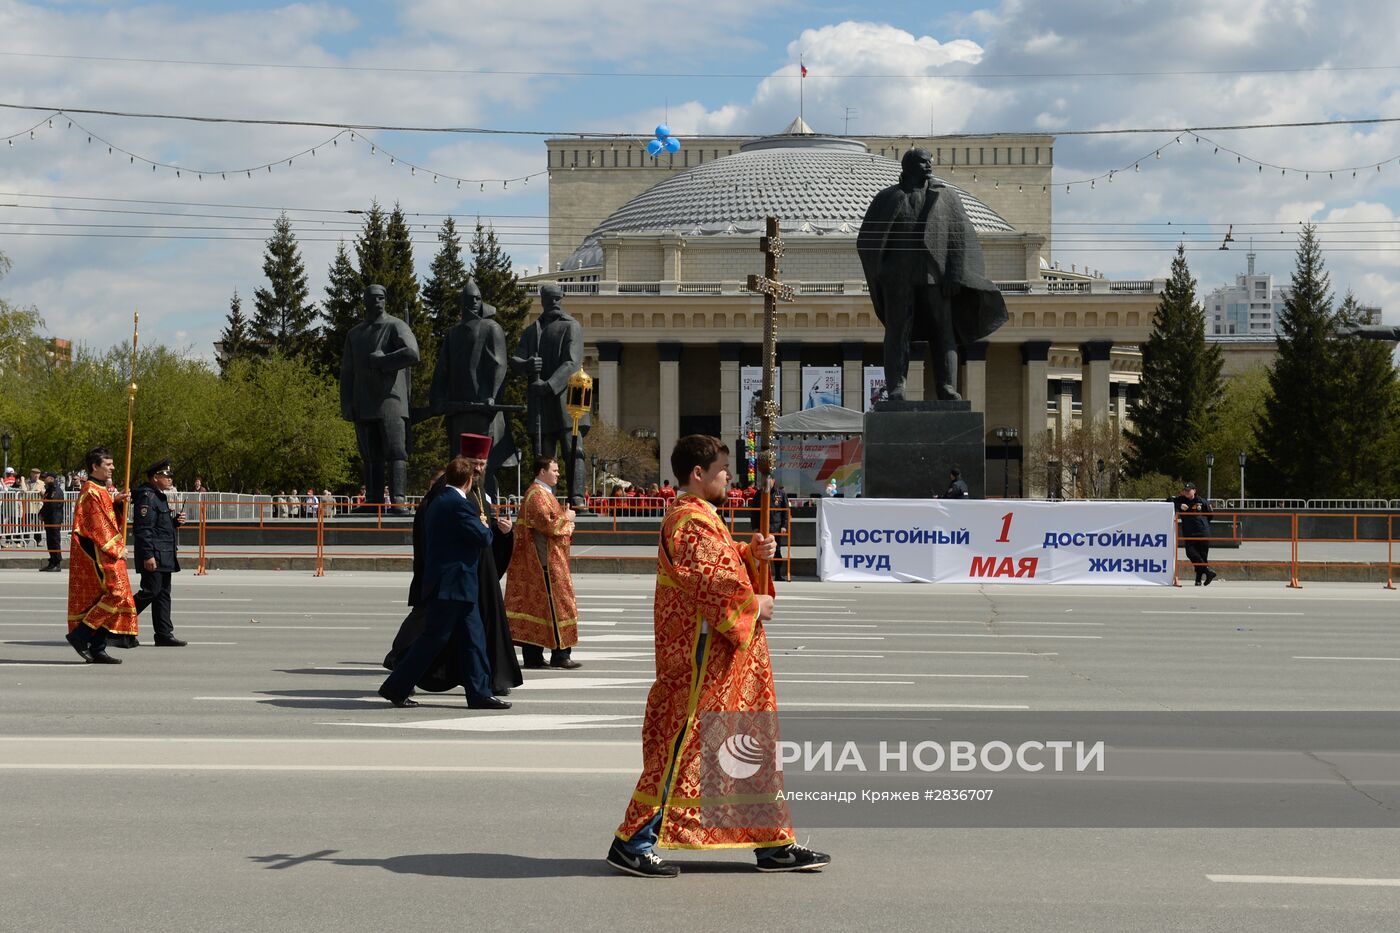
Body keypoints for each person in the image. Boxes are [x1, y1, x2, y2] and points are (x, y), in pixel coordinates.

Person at [607, 435, 829, 878]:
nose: (727, 476)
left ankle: (772, 843)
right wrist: (754, 606)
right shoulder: (689, 520)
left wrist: (751, 553)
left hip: (722, 652)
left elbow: (722, 565)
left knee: (745, 741)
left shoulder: (704, 518)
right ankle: (633, 841)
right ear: (698, 474)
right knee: (682, 743)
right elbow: (711, 584)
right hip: (701, 656)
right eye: (722, 469)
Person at [857, 147, 1008, 401]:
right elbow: (866, 241)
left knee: (943, 332)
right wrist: (881, 273)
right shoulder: (887, 198)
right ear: (908, 167)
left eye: (930, 163)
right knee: (897, 332)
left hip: (935, 278)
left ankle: (947, 386)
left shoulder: (946, 197)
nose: (929, 167)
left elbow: (959, 238)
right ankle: (897, 387)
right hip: (898, 279)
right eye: (923, 162)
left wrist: (955, 275)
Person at [384, 435, 523, 698]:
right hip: (452, 580)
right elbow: (472, 532)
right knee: (434, 638)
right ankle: (396, 682)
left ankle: (481, 693)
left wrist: (502, 531)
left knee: (474, 639)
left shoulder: (476, 492)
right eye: (474, 464)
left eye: (482, 463)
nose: (479, 469)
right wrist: (487, 531)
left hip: (470, 577)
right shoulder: (449, 498)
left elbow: (480, 526)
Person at [341, 283, 421, 515]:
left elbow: (412, 353)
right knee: (370, 455)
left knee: (396, 451)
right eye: (373, 298)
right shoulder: (355, 334)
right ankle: (373, 500)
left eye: (381, 298)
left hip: (392, 402)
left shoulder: (396, 325)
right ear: (364, 301)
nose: (378, 302)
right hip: (363, 402)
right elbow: (347, 372)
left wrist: (384, 361)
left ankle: (398, 500)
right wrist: (346, 404)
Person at [432, 277, 512, 500]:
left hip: (482, 410)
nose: (474, 302)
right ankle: (460, 499)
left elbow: (499, 364)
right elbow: (442, 369)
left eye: (478, 298)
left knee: (482, 463)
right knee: (458, 461)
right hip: (458, 410)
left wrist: (492, 396)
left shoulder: (491, 328)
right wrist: (437, 399)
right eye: (470, 298)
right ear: (462, 302)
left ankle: (485, 504)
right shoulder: (453, 334)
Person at [510, 283, 588, 507]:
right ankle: (545, 499)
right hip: (541, 404)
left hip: (566, 402)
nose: (553, 302)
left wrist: (549, 384)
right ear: (542, 300)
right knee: (544, 455)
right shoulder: (532, 330)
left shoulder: (571, 326)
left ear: (561, 298)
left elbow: (572, 362)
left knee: (573, 450)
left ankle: (577, 497)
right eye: (548, 298)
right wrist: (527, 364)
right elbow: (515, 360)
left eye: (556, 298)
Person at [506, 457, 582, 670]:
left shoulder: (543, 494)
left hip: (548, 559)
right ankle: (559, 654)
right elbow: (548, 526)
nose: (558, 474)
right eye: (554, 470)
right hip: (544, 563)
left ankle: (534, 655)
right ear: (542, 472)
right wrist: (567, 518)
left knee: (540, 608)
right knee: (556, 606)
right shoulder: (537, 495)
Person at [64, 447, 137, 664]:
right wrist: (116, 548)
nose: (113, 468)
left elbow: (108, 516)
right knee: (116, 592)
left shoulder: (102, 489)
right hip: (99, 551)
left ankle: (97, 647)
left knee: (116, 595)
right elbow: (96, 524)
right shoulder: (90, 491)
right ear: (95, 466)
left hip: (106, 551)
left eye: (113, 463)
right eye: (108, 464)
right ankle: (81, 635)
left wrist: (118, 504)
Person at [132, 458, 188, 647]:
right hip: (154, 555)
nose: (170, 479)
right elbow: (143, 529)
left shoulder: (158, 496)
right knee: (150, 592)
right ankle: (116, 625)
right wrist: (148, 555)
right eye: (167, 475)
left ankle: (164, 633)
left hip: (164, 554)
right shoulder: (147, 497)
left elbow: (158, 528)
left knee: (163, 594)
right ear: (155, 477)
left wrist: (174, 523)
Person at [1173, 481, 1216, 585]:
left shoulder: (1202, 501)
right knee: (1191, 553)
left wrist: (1203, 523)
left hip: (1202, 532)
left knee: (1202, 556)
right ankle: (1207, 571)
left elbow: (1210, 515)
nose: (1187, 492)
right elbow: (1169, 500)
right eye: (1185, 490)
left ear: (1194, 491)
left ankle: (1198, 580)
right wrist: (1179, 505)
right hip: (1189, 533)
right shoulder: (1181, 500)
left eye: (1189, 490)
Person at [748, 475, 789, 561]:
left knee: (777, 551)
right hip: (762, 528)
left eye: (769, 479)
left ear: (773, 480)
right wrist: (755, 527)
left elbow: (786, 512)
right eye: (765, 479)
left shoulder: (781, 493)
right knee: (762, 551)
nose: (767, 481)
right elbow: (754, 512)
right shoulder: (759, 494)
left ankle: (777, 574)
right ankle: (762, 574)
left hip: (776, 528)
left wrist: (784, 526)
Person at [38, 471, 63, 572]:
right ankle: (52, 561)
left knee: (54, 541)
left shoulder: (55, 490)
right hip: (50, 518)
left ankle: (56, 563)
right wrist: (41, 513)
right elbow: (46, 504)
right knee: (50, 541)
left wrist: (42, 514)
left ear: (52, 479)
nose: (44, 480)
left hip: (54, 519)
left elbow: (51, 505)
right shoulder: (49, 489)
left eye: (46, 478)